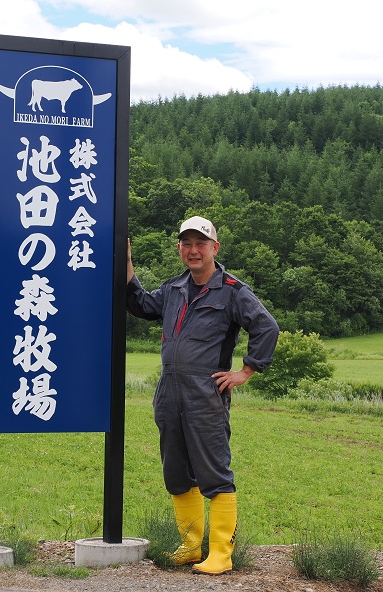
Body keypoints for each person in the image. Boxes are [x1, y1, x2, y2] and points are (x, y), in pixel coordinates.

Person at [126, 215, 279, 575]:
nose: (193, 250)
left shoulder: (232, 290)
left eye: (201, 243)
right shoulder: (175, 288)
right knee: (176, 471)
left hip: (205, 392)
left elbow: (266, 326)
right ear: (180, 248)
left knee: (214, 472)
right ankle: (192, 545)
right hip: (169, 391)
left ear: (215, 247)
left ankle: (221, 553)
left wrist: (246, 371)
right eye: (187, 244)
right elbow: (141, 305)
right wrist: (126, 261)